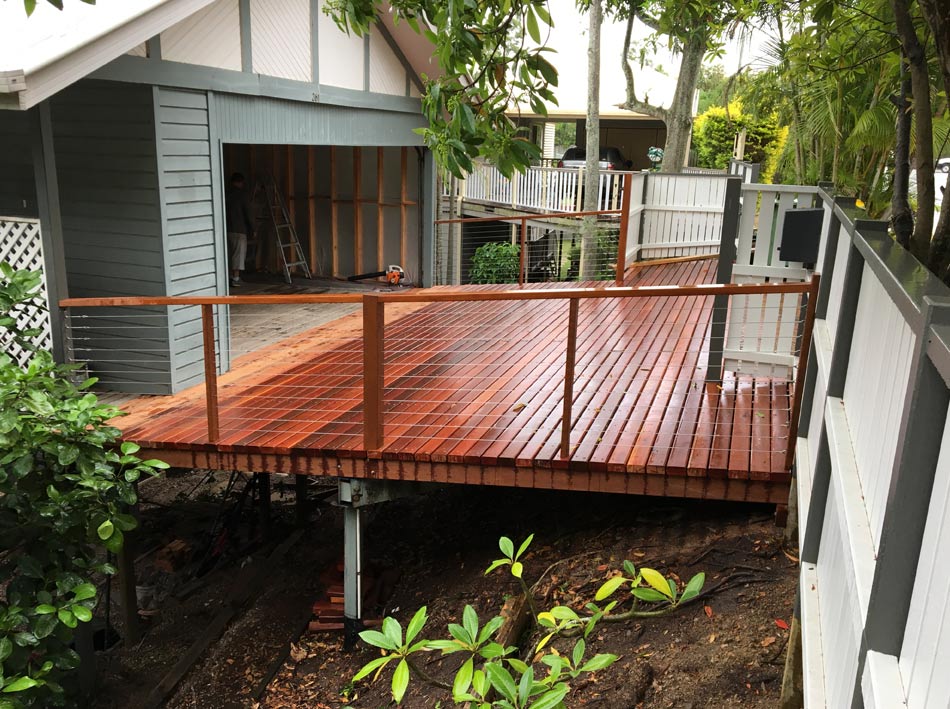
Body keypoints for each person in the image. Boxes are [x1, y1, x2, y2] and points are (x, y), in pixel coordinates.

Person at [225, 172, 254, 287]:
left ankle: (231, 277)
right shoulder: (242, 195)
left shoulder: (226, 193)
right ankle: (236, 278)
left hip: (226, 228)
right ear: (240, 182)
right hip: (239, 229)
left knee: (230, 254)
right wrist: (253, 228)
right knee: (238, 254)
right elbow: (248, 213)